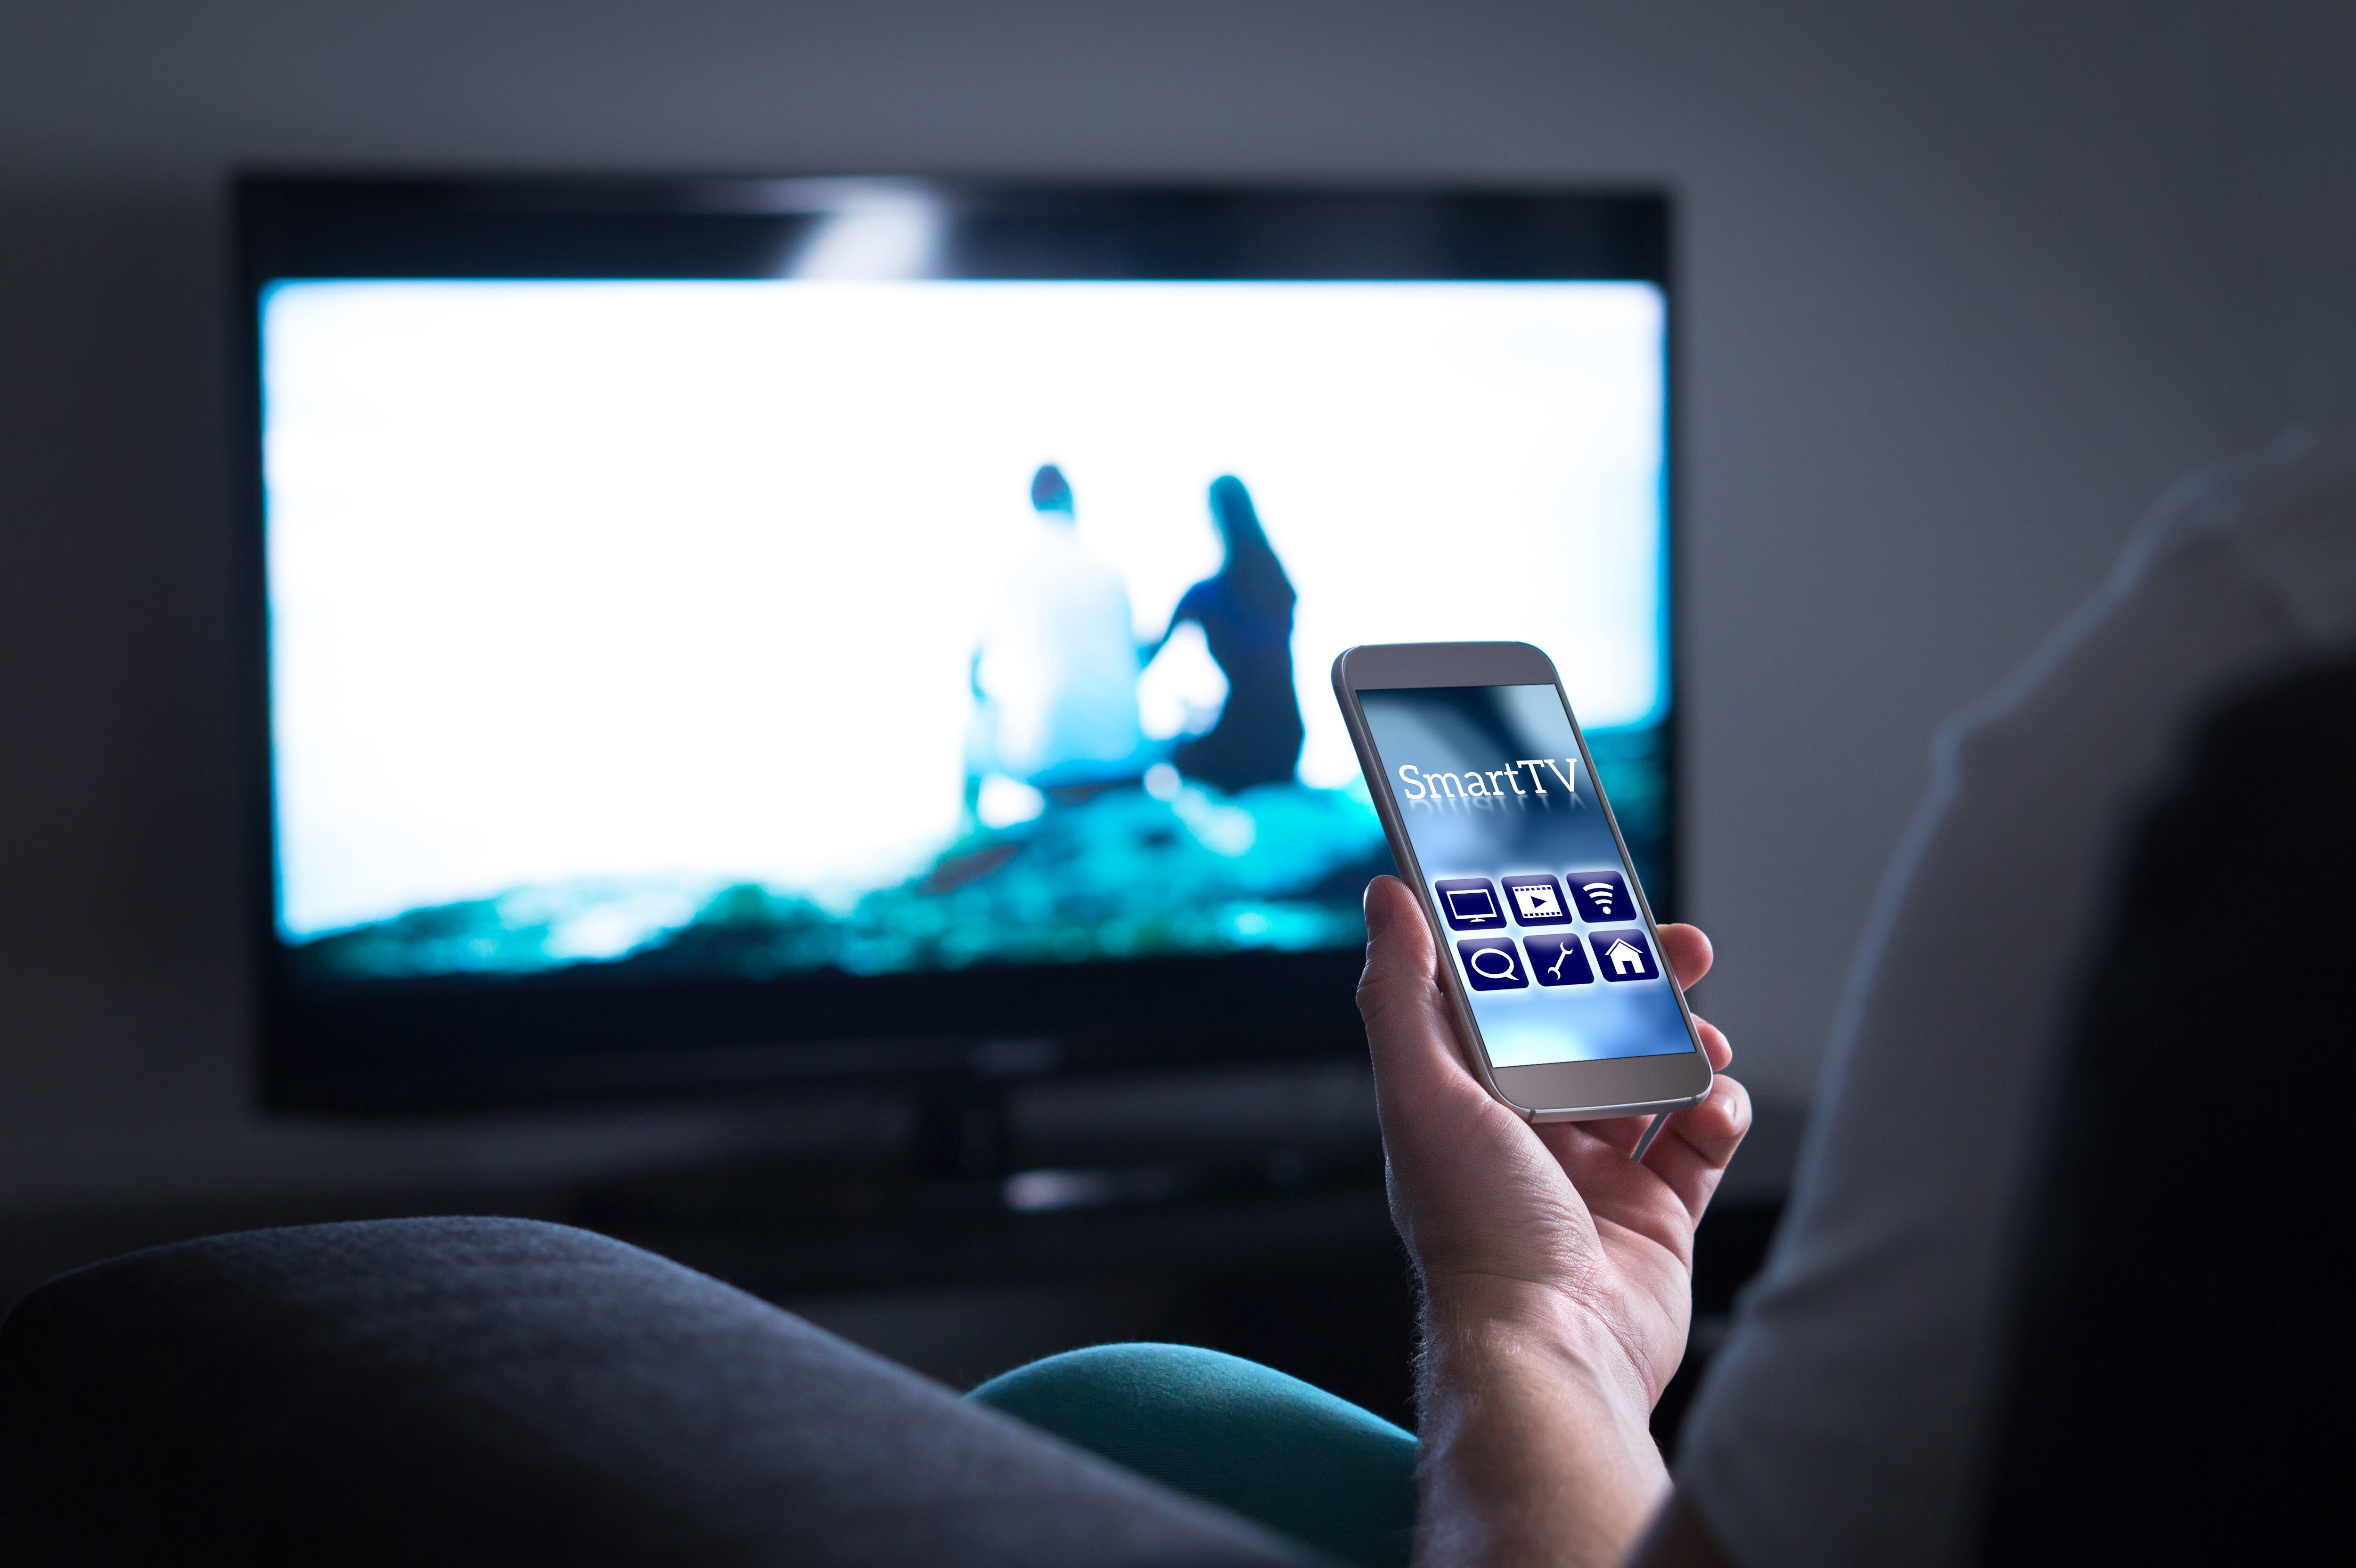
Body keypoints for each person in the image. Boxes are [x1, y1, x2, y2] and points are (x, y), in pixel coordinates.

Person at [965, 464, 1150, 813]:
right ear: (1073, 501)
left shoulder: (1012, 574)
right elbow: (1136, 662)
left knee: (970, 739)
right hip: (1122, 756)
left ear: (1032, 504)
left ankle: (970, 841)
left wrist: (1001, 709)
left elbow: (973, 670)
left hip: (1047, 764)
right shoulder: (1110, 573)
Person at [1144, 476, 1305, 794]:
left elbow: (1149, 653)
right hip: (1288, 736)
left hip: (1243, 745)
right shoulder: (1280, 585)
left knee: (1170, 752)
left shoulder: (1206, 596)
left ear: (1216, 518)